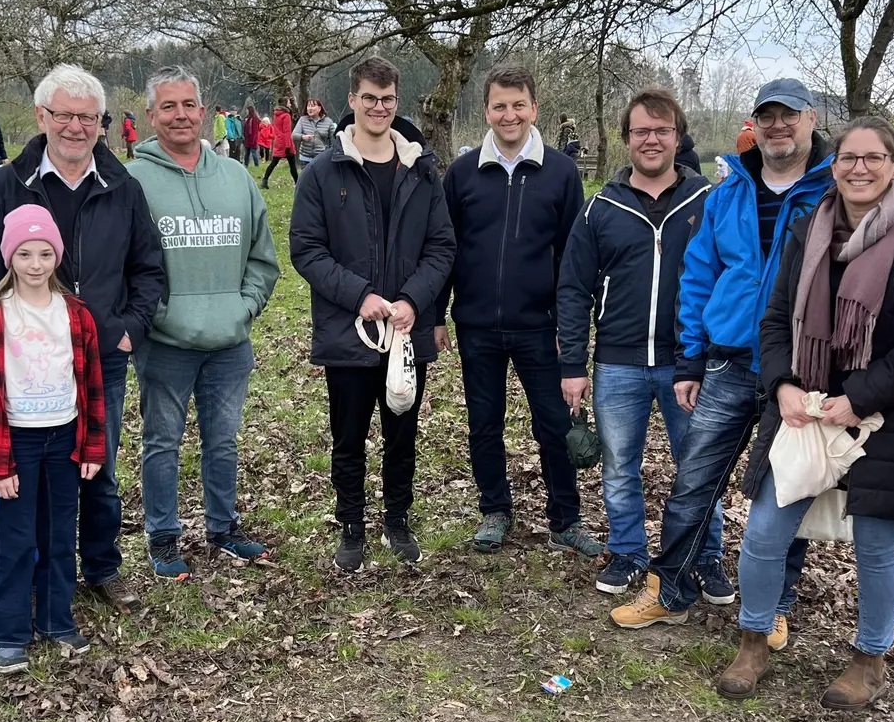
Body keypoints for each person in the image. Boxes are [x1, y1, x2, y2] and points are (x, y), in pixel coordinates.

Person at [715, 117, 894, 708]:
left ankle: (870, 658)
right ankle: (754, 638)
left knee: (875, 543)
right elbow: (775, 319)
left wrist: (861, 396)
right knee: (765, 531)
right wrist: (783, 385)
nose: (859, 168)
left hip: (881, 412)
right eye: (848, 157)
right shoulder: (808, 225)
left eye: (873, 158)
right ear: (834, 162)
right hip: (804, 404)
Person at [611, 78, 834, 631]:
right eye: (767, 117)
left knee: (785, 489)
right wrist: (690, 359)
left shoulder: (833, 193)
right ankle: (672, 589)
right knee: (694, 481)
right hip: (729, 360)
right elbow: (699, 277)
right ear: (753, 125)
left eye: (789, 115)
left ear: (811, 119)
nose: (777, 126)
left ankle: (776, 604)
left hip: (802, 369)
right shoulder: (728, 194)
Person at [0, 64, 165, 615]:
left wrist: (129, 330)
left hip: (100, 356)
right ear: (41, 117)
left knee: (96, 466)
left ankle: (101, 565)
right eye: (65, 115)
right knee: (28, 476)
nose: (76, 127)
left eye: (88, 118)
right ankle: (34, 574)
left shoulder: (123, 185)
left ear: (101, 124)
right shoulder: (10, 183)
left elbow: (149, 269)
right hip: (25, 364)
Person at [289, 56, 456, 573]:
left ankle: (397, 519)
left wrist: (413, 300)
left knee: (401, 429)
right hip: (350, 328)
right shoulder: (323, 172)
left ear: (396, 102)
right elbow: (306, 248)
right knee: (349, 433)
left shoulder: (423, 171)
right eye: (368, 98)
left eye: (387, 99)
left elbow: (442, 246)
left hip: (407, 329)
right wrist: (359, 294)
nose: (378, 107)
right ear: (352, 101)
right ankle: (351, 524)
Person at [556, 89, 722, 595]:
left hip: (687, 364)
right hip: (617, 362)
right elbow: (572, 288)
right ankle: (628, 552)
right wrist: (571, 363)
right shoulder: (600, 208)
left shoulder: (708, 202)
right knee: (619, 467)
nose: (651, 140)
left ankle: (703, 556)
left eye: (661, 130)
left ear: (678, 136)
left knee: (698, 468)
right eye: (640, 131)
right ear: (626, 138)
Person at [436, 65, 599, 557]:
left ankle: (564, 519)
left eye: (518, 105)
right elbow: (445, 249)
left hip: (540, 327)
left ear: (534, 108)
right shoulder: (462, 173)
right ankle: (494, 511)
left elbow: (573, 258)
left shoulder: (562, 172)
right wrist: (435, 315)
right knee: (484, 422)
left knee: (553, 424)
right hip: (477, 325)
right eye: (499, 106)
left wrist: (566, 328)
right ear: (486, 111)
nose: (509, 115)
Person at [128, 67, 282, 579]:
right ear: (151, 115)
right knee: (162, 441)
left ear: (204, 109)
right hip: (165, 343)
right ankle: (164, 537)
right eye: (168, 106)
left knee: (223, 439)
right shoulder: (132, 180)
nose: (180, 115)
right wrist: (156, 315)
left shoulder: (236, 177)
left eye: (189, 104)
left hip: (229, 341)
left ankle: (224, 528)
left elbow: (263, 258)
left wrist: (245, 307)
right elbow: (122, 264)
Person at [0, 204, 107, 674]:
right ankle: (9, 632)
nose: (35, 265)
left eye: (45, 254)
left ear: (57, 257)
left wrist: (92, 446)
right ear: (10, 257)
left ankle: (56, 618)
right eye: (25, 254)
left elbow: (91, 385)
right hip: (18, 442)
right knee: (15, 539)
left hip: (64, 438)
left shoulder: (75, 314)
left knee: (57, 536)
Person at [261, 101, 298, 188]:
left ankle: (265, 180)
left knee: (273, 163)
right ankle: (298, 182)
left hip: (278, 141)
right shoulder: (286, 116)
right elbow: (287, 132)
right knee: (292, 164)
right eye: (289, 103)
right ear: (285, 104)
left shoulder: (276, 114)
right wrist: (288, 146)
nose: (290, 104)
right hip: (286, 142)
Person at [294, 98, 337, 169]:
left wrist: (330, 155)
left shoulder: (328, 122)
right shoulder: (302, 120)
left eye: (313, 106)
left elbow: (333, 141)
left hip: (321, 158)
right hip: (305, 158)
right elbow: (294, 135)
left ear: (319, 108)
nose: (310, 108)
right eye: (308, 106)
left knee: (320, 179)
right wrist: (302, 137)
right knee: (307, 180)